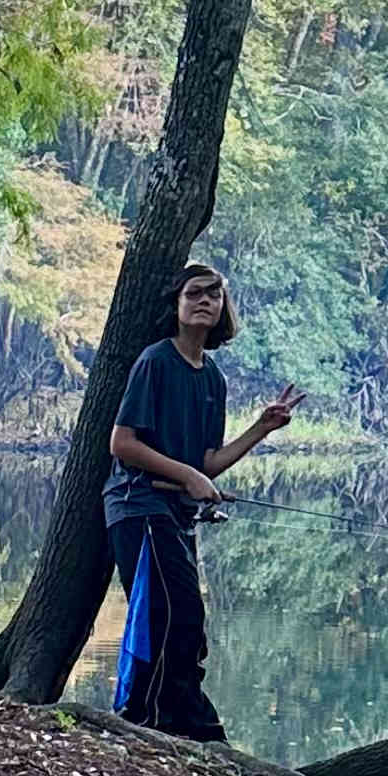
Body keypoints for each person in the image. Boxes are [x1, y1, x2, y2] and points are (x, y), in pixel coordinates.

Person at [102, 264, 298, 738]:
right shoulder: (155, 361)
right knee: (170, 615)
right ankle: (158, 721)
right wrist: (185, 475)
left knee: (185, 620)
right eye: (194, 293)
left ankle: (177, 722)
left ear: (222, 310)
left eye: (214, 295)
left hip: (177, 514)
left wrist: (260, 429)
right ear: (177, 305)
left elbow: (208, 462)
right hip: (138, 505)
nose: (204, 301)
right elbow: (122, 443)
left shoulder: (212, 379)